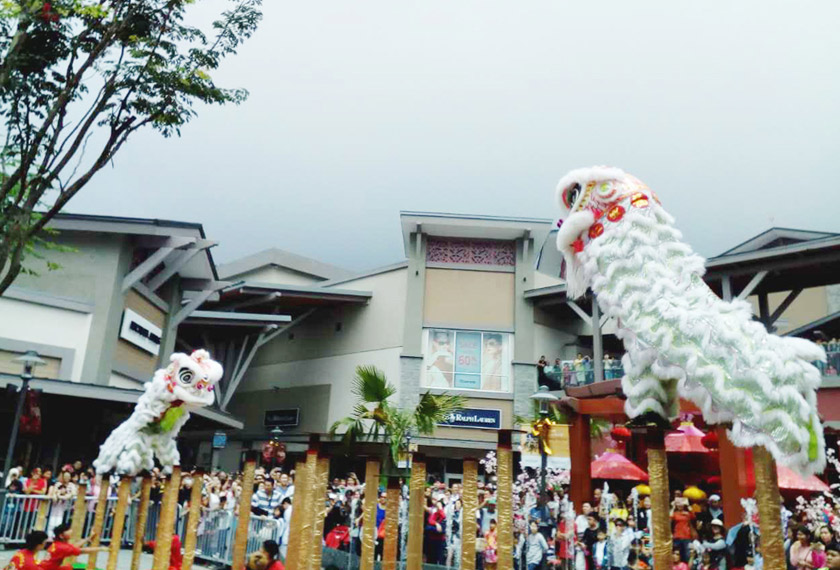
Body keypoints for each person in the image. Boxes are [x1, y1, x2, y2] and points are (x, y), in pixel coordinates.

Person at [41, 523, 106, 570]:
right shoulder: (62, 547)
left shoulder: (58, 543)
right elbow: (83, 551)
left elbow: (73, 547)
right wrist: (102, 548)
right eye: (67, 530)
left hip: (48, 567)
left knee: (69, 567)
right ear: (61, 535)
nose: (70, 531)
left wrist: (88, 538)